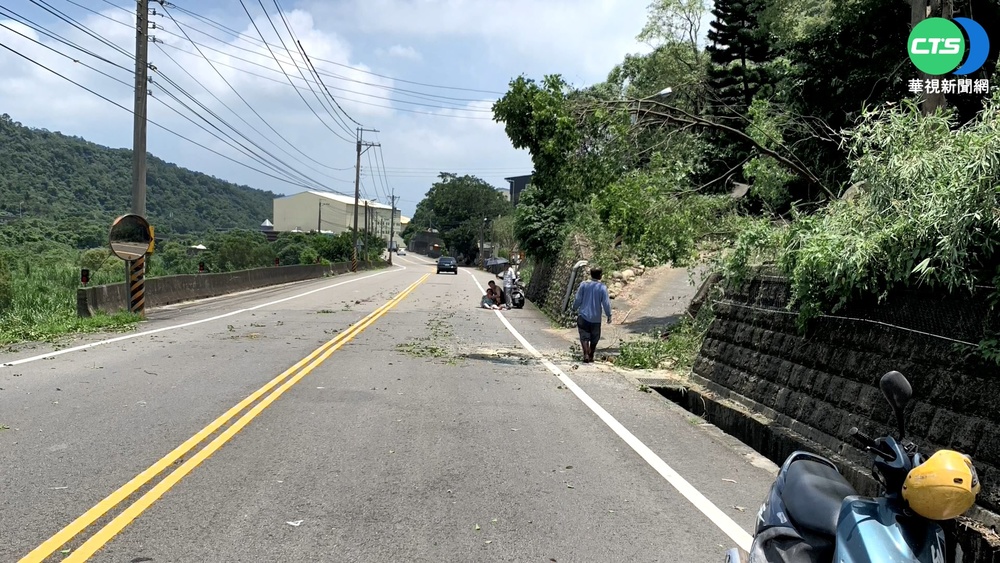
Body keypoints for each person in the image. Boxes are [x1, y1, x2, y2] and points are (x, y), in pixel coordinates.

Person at [572, 267, 612, 363]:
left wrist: (574, 308)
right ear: (600, 275)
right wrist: (609, 314)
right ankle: (591, 355)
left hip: (583, 315)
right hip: (596, 318)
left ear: (590, 274)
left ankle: (585, 354)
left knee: (584, 336)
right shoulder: (602, 287)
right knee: (595, 338)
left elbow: (578, 299)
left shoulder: (584, 285)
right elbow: (606, 303)